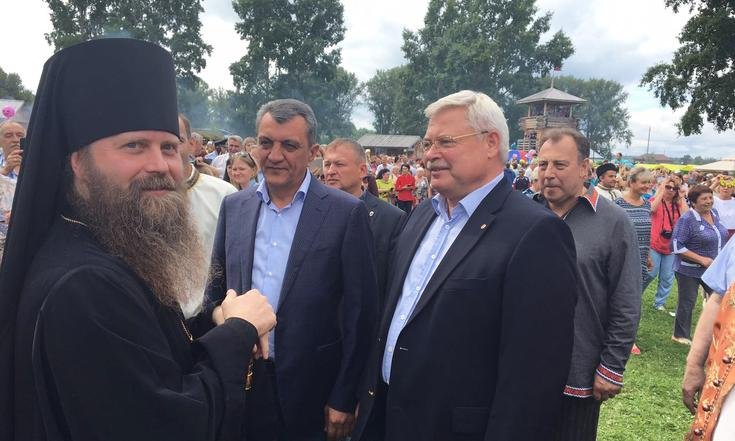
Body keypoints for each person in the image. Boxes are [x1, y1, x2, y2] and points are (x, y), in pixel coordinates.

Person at [0, 38, 277, 441]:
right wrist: (239, 330)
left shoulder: (110, 245)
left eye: (169, 147)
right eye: (134, 146)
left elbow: (153, 360)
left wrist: (215, 322)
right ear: (78, 162)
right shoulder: (83, 285)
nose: (160, 165)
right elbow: (166, 423)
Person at [353, 90, 578, 441]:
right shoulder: (423, 215)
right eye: (428, 144)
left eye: (445, 142)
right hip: (386, 417)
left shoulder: (536, 233)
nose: (430, 154)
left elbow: (532, 380)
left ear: (491, 143)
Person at [207, 99, 378, 441]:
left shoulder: (345, 213)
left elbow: (361, 313)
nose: (274, 155)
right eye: (266, 143)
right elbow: (215, 292)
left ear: (313, 152)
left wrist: (344, 396)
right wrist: (228, 321)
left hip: (312, 392)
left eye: (289, 145)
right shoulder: (235, 207)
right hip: (243, 383)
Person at [535, 128, 642, 441]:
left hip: (577, 372)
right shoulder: (524, 214)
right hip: (520, 368)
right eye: (543, 165)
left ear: (584, 168)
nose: (549, 173)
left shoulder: (613, 222)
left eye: (560, 165)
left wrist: (612, 367)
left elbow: (626, 300)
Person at [323, 138, 406, 310]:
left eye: (339, 164)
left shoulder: (390, 218)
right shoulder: (311, 211)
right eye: (327, 164)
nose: (330, 171)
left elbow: (391, 281)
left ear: (362, 170)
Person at [178, 114, 237, 317]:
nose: (167, 150)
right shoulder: (134, 198)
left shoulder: (225, 194)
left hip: (212, 316)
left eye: (175, 141)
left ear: (191, 144)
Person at [671, 185, 729, 345]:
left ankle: (720, 332)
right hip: (688, 270)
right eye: (704, 199)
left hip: (713, 269)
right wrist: (701, 259)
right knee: (687, 302)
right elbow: (676, 246)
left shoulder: (714, 213)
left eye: (710, 197)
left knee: (722, 299)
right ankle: (680, 335)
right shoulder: (687, 220)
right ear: (694, 202)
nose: (709, 201)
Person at [650, 175, 688, 311]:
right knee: (650, 273)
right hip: (654, 243)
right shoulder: (655, 200)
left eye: (674, 188)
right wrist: (661, 190)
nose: (671, 190)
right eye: (668, 187)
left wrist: (681, 197)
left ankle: (659, 303)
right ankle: (635, 296)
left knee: (667, 277)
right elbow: (652, 209)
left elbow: (686, 217)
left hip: (671, 246)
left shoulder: (678, 204)